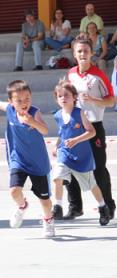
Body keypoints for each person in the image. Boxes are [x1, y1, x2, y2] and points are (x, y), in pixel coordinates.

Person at [64, 38, 116, 220]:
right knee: (69, 167)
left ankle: (108, 205)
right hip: (75, 127)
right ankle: (75, 207)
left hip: (94, 126)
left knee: (98, 169)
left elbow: (112, 100)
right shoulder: (70, 74)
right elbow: (64, 96)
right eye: (79, 51)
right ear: (74, 53)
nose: (82, 54)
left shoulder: (98, 76)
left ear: (91, 52)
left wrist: (94, 101)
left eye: (86, 51)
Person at [51, 80, 111, 226]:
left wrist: (76, 140)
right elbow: (63, 133)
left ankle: (103, 207)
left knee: (91, 185)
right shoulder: (58, 115)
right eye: (60, 96)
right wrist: (56, 144)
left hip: (81, 156)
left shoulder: (80, 113)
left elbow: (92, 132)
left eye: (67, 95)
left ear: (74, 97)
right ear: (57, 99)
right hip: (65, 154)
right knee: (57, 176)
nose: (63, 98)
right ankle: (57, 206)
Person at [0, 80, 54, 237]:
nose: (24, 103)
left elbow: (44, 130)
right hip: (19, 160)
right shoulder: (9, 109)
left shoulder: (34, 113)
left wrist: (32, 122)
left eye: (27, 99)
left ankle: (48, 219)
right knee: (14, 191)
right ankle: (22, 206)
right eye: (19, 100)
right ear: (11, 101)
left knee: (44, 200)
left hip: (38, 164)